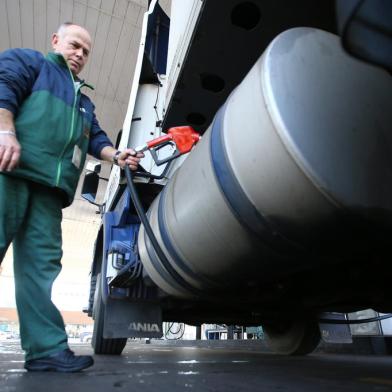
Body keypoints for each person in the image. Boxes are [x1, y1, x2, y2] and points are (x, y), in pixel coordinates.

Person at [0, 22, 143, 372]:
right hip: (10, 172)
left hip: (50, 191)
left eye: (85, 51)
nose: (79, 54)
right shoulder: (30, 63)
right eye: (74, 45)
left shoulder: (85, 102)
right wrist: (5, 131)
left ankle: (46, 350)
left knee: (41, 269)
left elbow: (96, 139)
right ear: (55, 41)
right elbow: (3, 90)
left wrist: (116, 155)